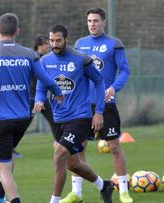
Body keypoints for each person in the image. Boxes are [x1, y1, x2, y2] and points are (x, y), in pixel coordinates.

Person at [0, 13, 63, 203]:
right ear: (17, 31)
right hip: (22, 118)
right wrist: (57, 90)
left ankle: (13, 200)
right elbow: (45, 78)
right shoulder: (30, 54)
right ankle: (0, 196)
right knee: (8, 158)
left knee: (3, 168)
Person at [34, 24, 113, 203]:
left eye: (58, 40)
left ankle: (54, 201)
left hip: (80, 116)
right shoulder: (45, 61)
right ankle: (104, 186)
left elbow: (99, 82)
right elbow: (41, 87)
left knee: (60, 154)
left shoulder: (81, 59)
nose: (54, 44)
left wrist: (99, 112)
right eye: (51, 40)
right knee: (73, 164)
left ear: (66, 40)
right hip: (58, 119)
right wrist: (39, 100)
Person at [61, 8, 133, 203]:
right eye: (89, 21)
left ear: (104, 22)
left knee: (114, 146)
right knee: (78, 149)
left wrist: (114, 88)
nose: (92, 24)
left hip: (106, 104)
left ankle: (123, 191)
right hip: (82, 105)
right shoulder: (79, 44)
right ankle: (76, 193)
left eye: (95, 21)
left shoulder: (114, 44)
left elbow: (125, 71)